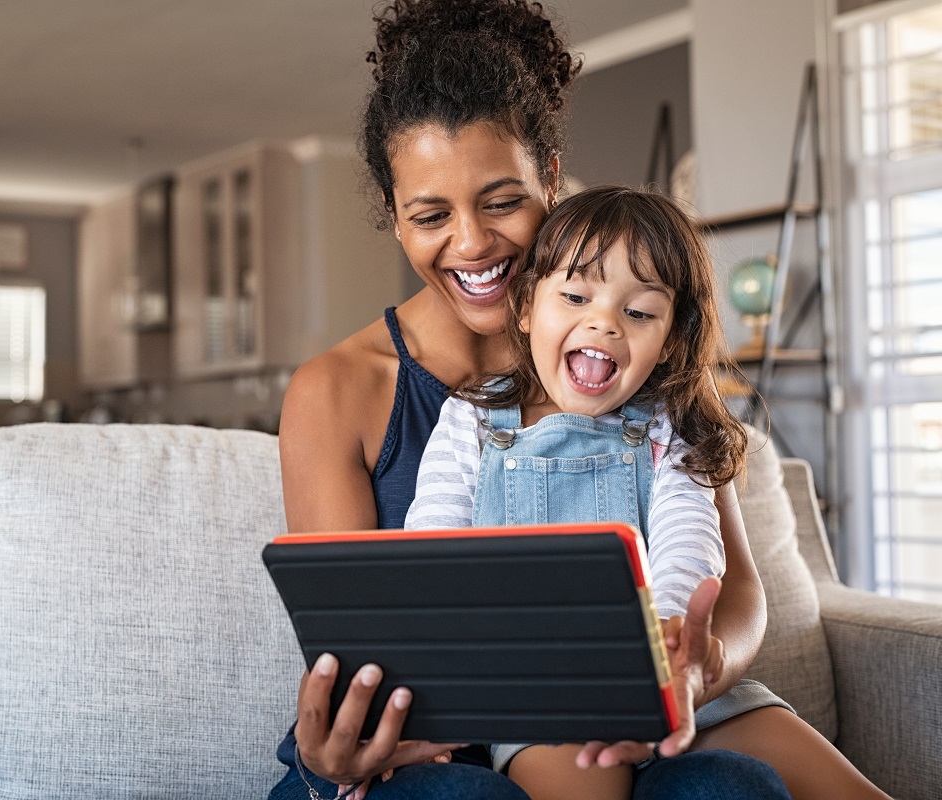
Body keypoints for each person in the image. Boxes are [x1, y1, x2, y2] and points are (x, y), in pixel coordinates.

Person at [270, 1, 793, 798]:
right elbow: (361, 640)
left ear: (550, 177)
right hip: (436, 741)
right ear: (395, 220)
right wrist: (334, 754)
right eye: (430, 215)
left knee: (730, 786)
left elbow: (737, 591)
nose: (473, 243)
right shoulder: (340, 389)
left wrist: (688, 674)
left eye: (502, 201)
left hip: (638, 701)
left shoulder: (616, 355)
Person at [404, 185, 893, 800]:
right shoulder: (471, 420)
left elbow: (688, 535)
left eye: (639, 312)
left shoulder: (671, 424)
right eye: (576, 296)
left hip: (680, 684)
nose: (604, 321)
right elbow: (431, 554)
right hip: (548, 701)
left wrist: (666, 652)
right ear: (526, 305)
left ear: (668, 338)